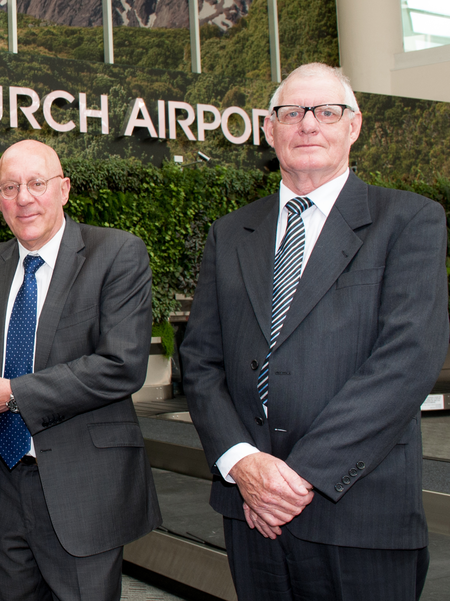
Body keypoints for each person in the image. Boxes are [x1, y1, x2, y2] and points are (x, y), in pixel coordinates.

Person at [180, 63, 448, 601]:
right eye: (291, 112)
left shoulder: (409, 220)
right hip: (252, 516)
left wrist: (294, 480)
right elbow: (201, 361)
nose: (308, 124)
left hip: (358, 511)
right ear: (269, 129)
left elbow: (407, 359)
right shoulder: (231, 233)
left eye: (327, 112)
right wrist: (242, 464)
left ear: (353, 126)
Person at [0, 139, 161, 600]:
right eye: (10, 186)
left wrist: (17, 393)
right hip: (0, 482)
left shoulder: (116, 254)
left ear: (63, 189)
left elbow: (121, 365)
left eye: (37, 183)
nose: (24, 198)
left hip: (82, 486)